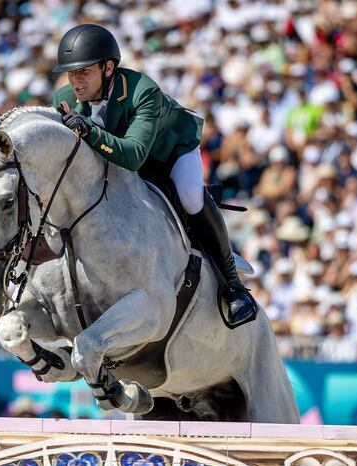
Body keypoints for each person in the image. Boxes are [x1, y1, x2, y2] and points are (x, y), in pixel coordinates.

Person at [51, 24, 256, 328]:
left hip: (170, 152)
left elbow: (134, 155)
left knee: (189, 196)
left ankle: (232, 285)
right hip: (117, 158)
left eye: (84, 72)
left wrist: (90, 131)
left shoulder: (142, 90)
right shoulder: (65, 99)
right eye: (71, 73)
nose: (76, 81)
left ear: (108, 68)